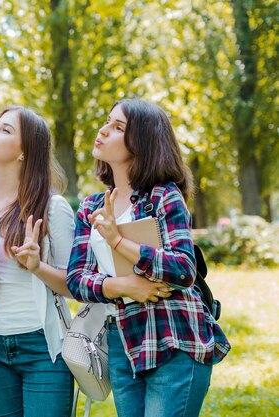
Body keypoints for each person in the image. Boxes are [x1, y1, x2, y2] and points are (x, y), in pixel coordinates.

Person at [66, 98, 231, 417]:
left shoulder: (163, 196)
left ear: (142, 142)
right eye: (107, 122)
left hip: (173, 337)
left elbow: (183, 269)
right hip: (123, 342)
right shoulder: (91, 207)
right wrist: (125, 287)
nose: (103, 130)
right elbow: (77, 280)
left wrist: (117, 240)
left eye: (118, 127)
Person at [0, 106, 76, 417]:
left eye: (6, 130)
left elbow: (76, 287)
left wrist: (37, 267)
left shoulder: (52, 208)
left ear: (25, 152)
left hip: (42, 348)